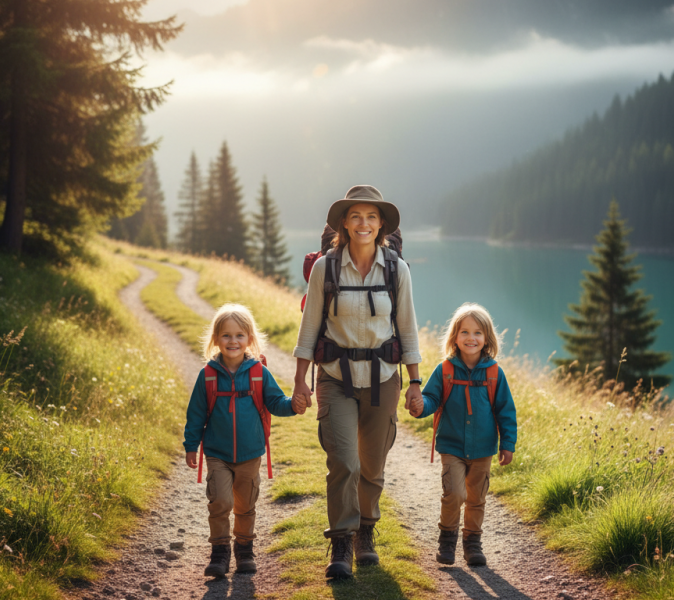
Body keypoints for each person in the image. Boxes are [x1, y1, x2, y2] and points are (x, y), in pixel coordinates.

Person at [292, 185, 423, 579]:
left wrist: (415, 383)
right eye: (356, 216)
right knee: (343, 462)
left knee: (372, 465)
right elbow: (309, 327)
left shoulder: (397, 270)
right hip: (335, 378)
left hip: (384, 378)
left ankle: (367, 531)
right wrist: (300, 382)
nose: (363, 224)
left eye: (371, 217)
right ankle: (342, 542)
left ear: (381, 224)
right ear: (344, 224)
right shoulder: (325, 269)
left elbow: (409, 329)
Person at [184, 303, 307, 577]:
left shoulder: (258, 373)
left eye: (239, 335)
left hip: (251, 453)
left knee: (245, 504)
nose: (233, 341)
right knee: (220, 502)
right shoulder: (207, 376)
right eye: (226, 335)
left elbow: (275, 402)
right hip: (217, 453)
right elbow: (195, 415)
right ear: (216, 339)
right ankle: (219, 552)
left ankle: (244, 549)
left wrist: (293, 405)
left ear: (249, 338)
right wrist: (191, 446)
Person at [407, 302, 517, 567]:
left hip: (483, 448)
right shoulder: (444, 370)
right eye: (465, 332)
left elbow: (505, 411)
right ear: (455, 337)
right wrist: (420, 406)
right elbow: (432, 399)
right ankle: (447, 541)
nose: (471, 338)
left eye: (478, 332)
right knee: (454, 494)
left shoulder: (494, 373)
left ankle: (472, 543)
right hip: (452, 445)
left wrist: (508, 444)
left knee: (477, 498)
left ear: (487, 338)